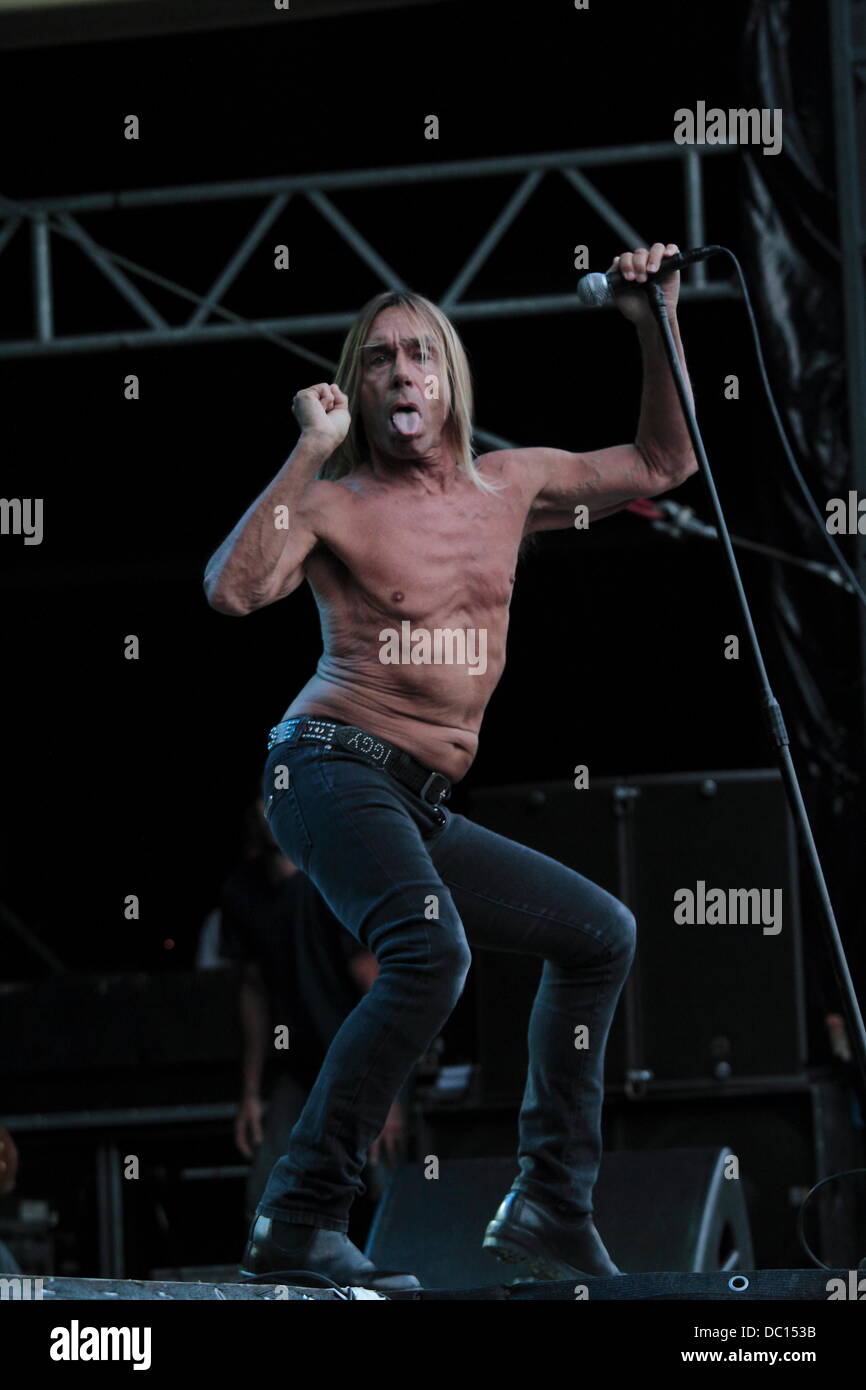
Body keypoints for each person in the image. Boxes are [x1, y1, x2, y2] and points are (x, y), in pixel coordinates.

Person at [204, 244, 698, 1291]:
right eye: (375, 359)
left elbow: (664, 464)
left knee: (600, 932)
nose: (397, 375)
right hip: (322, 765)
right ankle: (297, 1214)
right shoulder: (335, 502)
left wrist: (653, 315)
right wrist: (308, 449)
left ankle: (551, 1205)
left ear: (446, 378)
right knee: (430, 954)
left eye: (415, 356)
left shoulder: (511, 486)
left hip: (416, 799)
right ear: (358, 383)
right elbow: (233, 591)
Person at [217, 799, 409, 1223]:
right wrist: (250, 1092)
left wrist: (389, 1096)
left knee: (384, 1191)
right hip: (298, 1069)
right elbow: (252, 994)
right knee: (267, 1195)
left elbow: (378, 988)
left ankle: (403, 1286)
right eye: (262, 799)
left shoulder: (330, 881)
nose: (270, 808)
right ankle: (282, 1287)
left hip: (360, 1067)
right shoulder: (241, 893)